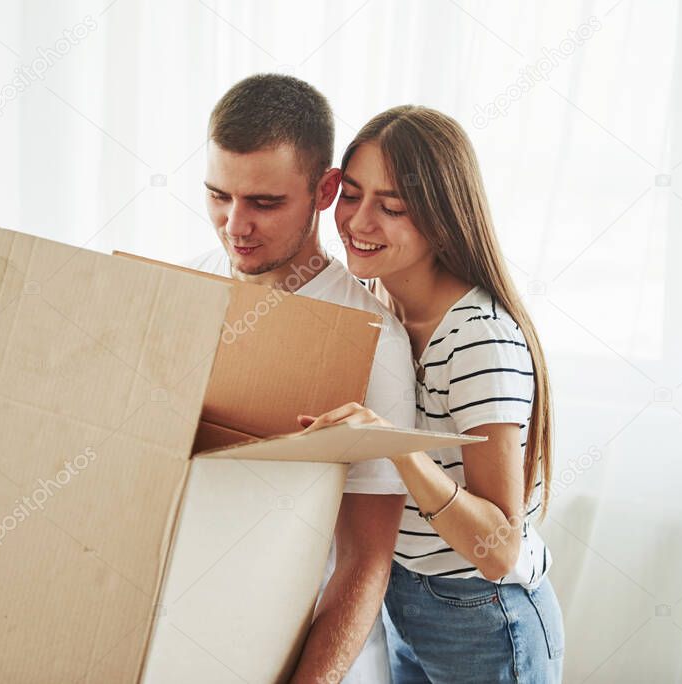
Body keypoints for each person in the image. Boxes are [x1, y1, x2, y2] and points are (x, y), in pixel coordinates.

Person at [300, 105, 564, 683]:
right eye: (350, 194)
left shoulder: (477, 340)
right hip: (406, 599)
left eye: (391, 207)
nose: (359, 222)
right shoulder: (379, 303)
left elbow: (497, 548)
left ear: (443, 220)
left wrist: (395, 445)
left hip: (483, 615)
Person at [185, 74, 416, 683]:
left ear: (325, 190)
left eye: (264, 203)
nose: (235, 225)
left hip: (285, 650)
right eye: (218, 195)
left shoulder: (372, 342)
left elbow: (366, 559)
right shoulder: (180, 292)